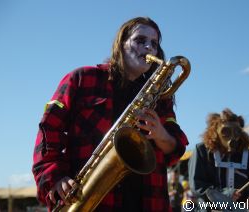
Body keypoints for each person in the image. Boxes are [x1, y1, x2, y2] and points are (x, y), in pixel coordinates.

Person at [32, 16, 188, 211]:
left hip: (148, 203)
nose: (148, 47)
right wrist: (54, 177)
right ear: (121, 45)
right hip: (89, 201)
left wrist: (160, 134)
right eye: (140, 40)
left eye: (154, 44)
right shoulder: (81, 78)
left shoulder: (160, 96)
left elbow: (176, 148)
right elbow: (49, 128)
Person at [188, 109, 249, 211]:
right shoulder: (202, 151)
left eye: (236, 132)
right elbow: (197, 186)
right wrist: (224, 195)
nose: (232, 137)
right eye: (226, 131)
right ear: (215, 131)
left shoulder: (248, 155)